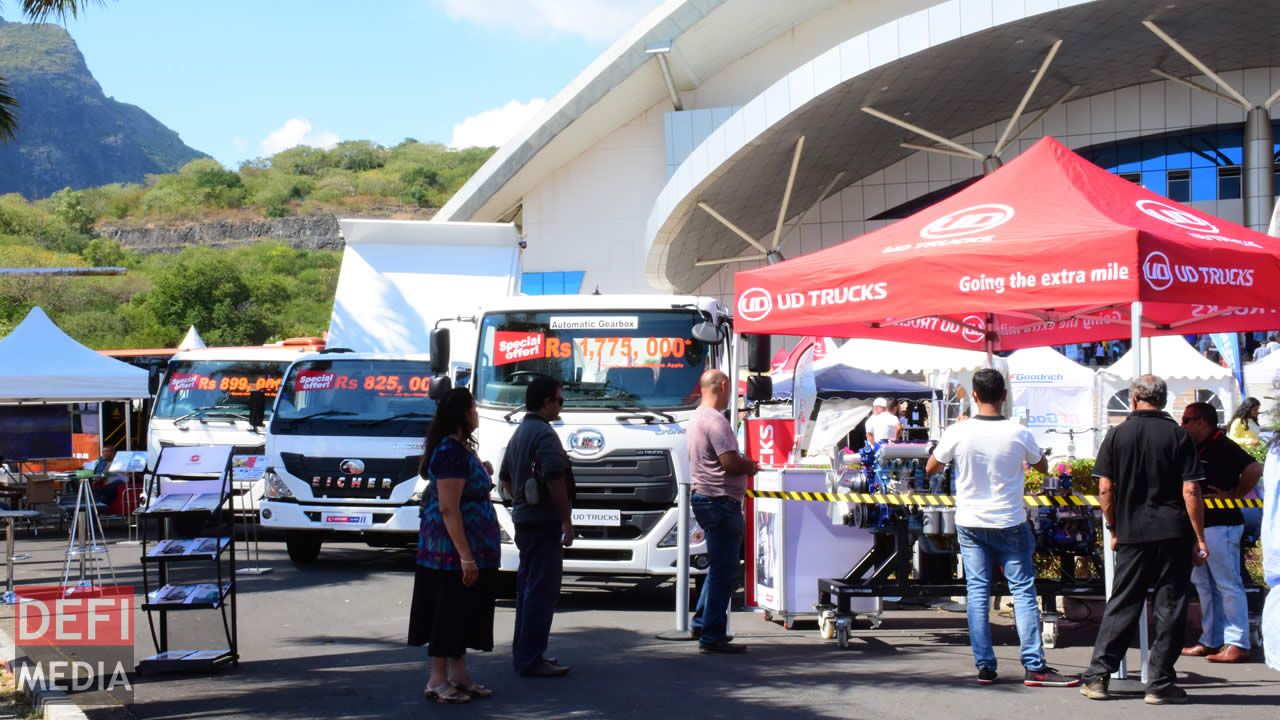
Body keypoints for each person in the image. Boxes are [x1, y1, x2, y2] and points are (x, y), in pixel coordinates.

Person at [925, 369, 1076, 688]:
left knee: (977, 592)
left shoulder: (959, 431)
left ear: (975, 396)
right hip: (1009, 520)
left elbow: (931, 466)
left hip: (970, 521)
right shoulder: (1017, 431)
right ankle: (1034, 666)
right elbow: (1042, 465)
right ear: (1004, 395)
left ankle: (985, 666)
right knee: (1022, 590)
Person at [1080, 375, 1208, 705]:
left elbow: (1105, 489)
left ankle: (1097, 677)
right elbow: (1191, 490)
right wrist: (1199, 536)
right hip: (1173, 532)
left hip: (1132, 534)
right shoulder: (1180, 436)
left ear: (1134, 400)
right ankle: (1160, 682)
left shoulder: (1116, 435)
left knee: (1123, 602)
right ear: (1163, 401)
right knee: (1171, 606)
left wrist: (1113, 528)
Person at [407, 388, 500, 704]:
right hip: (449, 553)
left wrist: (482, 471)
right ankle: (437, 679)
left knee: (462, 612)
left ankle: (459, 676)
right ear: (462, 414)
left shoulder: (460, 449)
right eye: (473, 408)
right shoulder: (449, 453)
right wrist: (466, 557)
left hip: (470, 548)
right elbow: (448, 507)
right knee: (446, 611)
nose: (477, 413)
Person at [499, 375, 575, 678]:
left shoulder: (521, 432)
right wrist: (566, 522)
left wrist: (520, 500)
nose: (561, 406)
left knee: (528, 590)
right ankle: (532, 659)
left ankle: (527, 654)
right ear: (546, 402)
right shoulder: (544, 434)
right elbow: (556, 480)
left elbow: (505, 477)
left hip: (526, 521)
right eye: (559, 400)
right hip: (542, 523)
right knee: (541, 592)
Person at [1179, 402, 1262, 664]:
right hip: (1201, 526)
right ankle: (1210, 639)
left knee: (1227, 584)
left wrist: (1234, 494)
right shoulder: (1196, 446)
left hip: (1221, 524)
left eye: (1186, 419)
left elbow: (1254, 469)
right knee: (1203, 584)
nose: (1183, 425)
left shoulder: (1223, 445)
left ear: (1202, 421)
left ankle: (1237, 642)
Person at [688, 369, 758, 654]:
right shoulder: (716, 421)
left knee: (719, 568)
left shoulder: (697, 418)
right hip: (720, 499)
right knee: (724, 570)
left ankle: (703, 622)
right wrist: (749, 465)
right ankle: (712, 635)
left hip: (707, 497)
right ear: (724, 386)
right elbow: (729, 462)